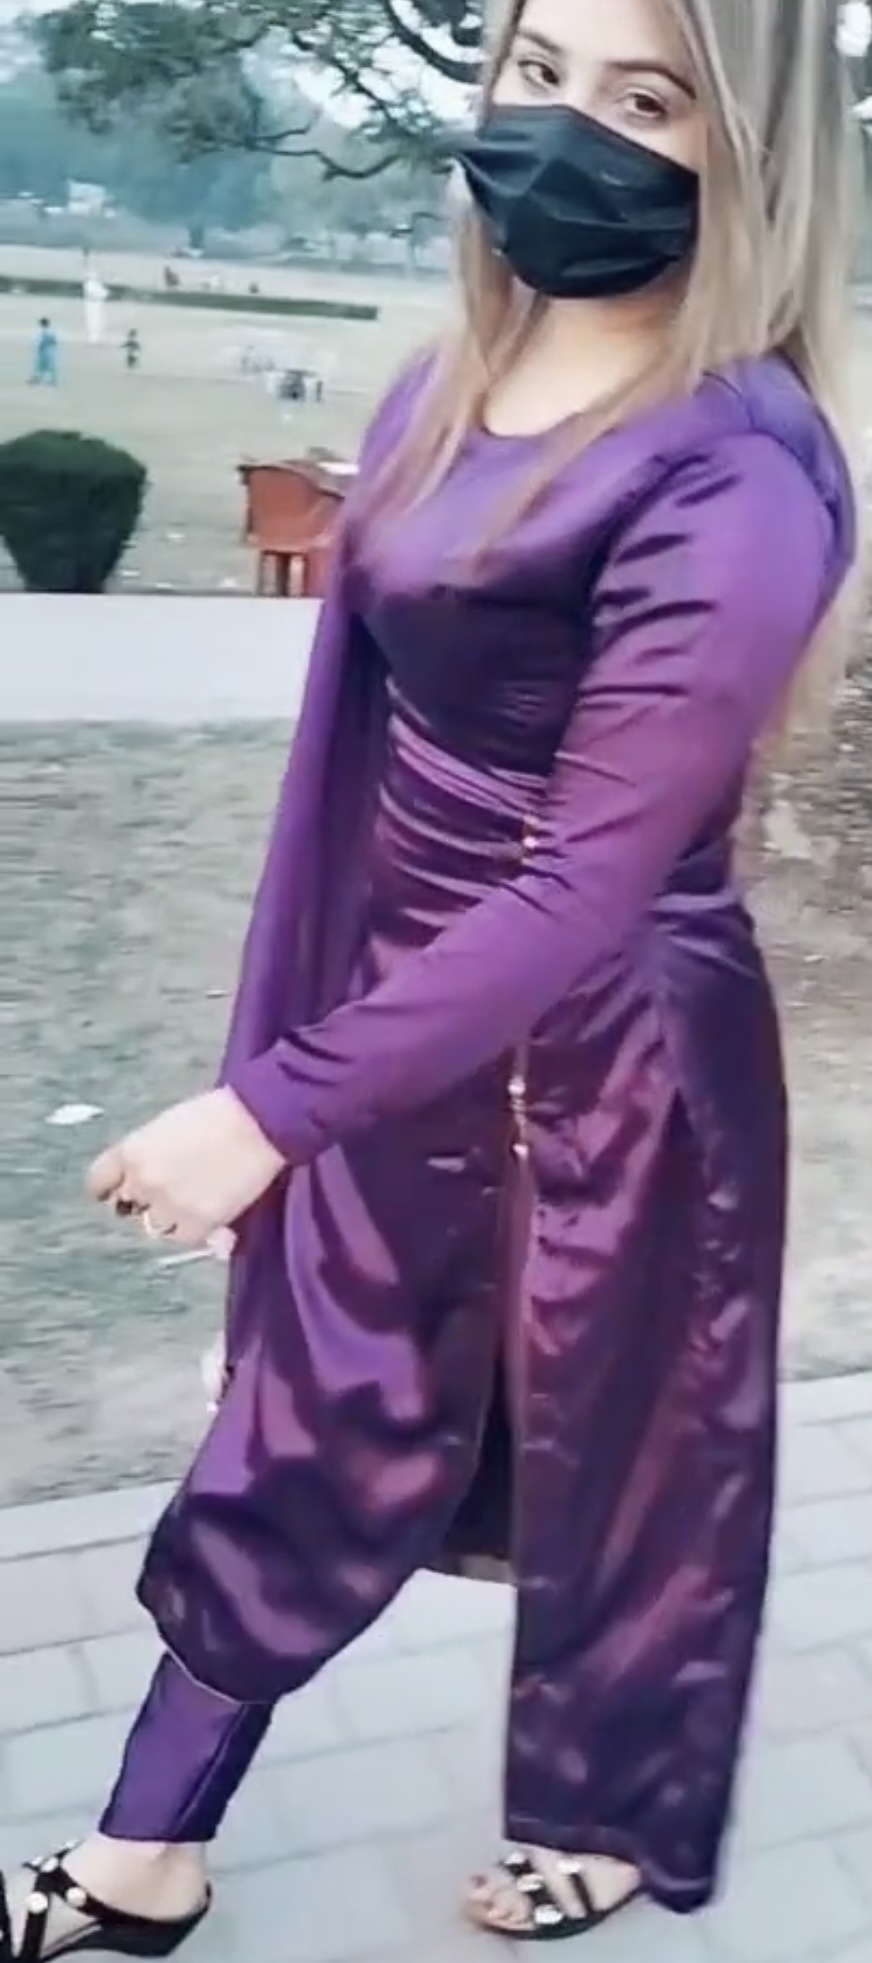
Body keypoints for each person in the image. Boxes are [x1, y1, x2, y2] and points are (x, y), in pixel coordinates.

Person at [0, 0, 860, 1954]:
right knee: (302, 1423)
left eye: (647, 98)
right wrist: (297, 1041)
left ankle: (605, 1812)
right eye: (539, 70)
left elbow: (593, 877)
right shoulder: (444, 378)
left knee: (624, 1458)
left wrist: (267, 1105)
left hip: (616, 1066)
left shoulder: (740, 476)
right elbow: (351, 758)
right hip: (398, 1022)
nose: (567, 127)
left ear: (748, 154)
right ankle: (140, 1850)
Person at [29, 318, 58, 387]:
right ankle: (51, 380)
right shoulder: (51, 332)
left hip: (42, 350)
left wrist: (37, 347)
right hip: (49, 350)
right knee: (49, 365)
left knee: (39, 365)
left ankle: (38, 379)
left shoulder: (41, 332)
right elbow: (54, 342)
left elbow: (38, 342)